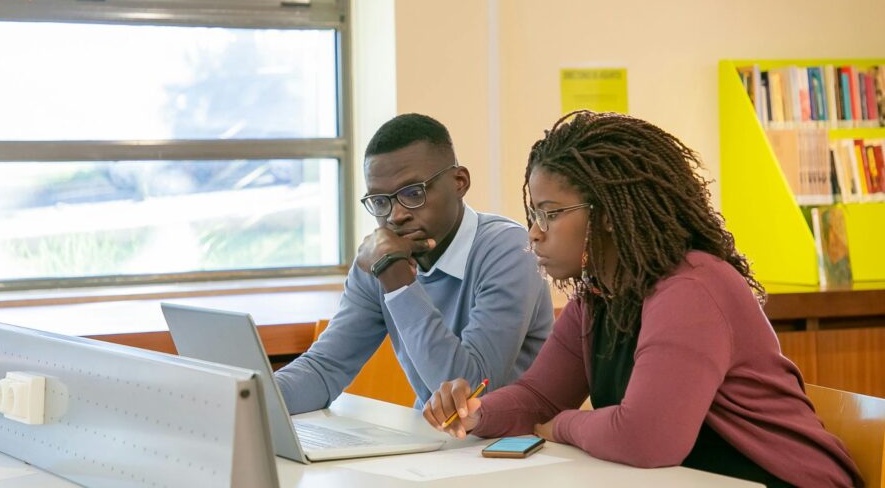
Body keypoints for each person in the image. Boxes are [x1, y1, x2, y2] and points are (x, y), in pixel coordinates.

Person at [423, 111, 862, 487]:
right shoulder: (599, 294)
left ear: (610, 215)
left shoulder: (692, 288)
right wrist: (477, 412)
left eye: (550, 214)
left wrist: (562, 426)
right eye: (534, 214)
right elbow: (539, 395)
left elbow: (646, 437)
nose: (535, 232)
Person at [275, 113, 554, 414]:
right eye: (380, 201)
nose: (395, 216)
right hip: (435, 446)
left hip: (513, 447)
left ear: (459, 182)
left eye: (412, 193)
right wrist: (249, 400)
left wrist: (399, 284)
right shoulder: (381, 258)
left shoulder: (509, 249)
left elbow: (468, 395)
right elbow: (324, 369)